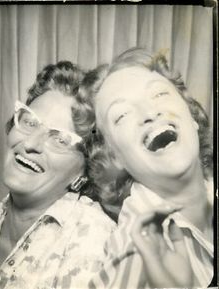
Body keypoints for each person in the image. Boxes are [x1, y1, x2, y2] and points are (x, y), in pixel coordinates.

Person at [83, 47, 214, 288]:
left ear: (192, 116)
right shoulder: (135, 252)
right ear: (115, 157)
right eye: (122, 115)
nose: (148, 113)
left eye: (159, 94)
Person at [0, 61, 116, 289]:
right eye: (29, 122)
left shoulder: (94, 242)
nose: (30, 143)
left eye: (60, 139)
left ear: (85, 170)